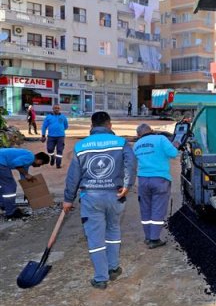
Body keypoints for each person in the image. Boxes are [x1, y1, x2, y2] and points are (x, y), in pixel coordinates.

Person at [63, 112, 134, 289]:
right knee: (113, 230)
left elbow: (73, 176)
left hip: (91, 197)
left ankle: (101, 278)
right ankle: (113, 267)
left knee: (95, 236)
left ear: (91, 126)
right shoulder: (121, 142)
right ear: (109, 125)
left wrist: (68, 199)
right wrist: (127, 185)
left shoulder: (81, 146)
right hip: (115, 195)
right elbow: (130, 164)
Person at [133, 123, 178, 249]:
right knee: (158, 208)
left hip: (142, 180)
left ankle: (148, 237)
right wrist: (176, 145)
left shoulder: (136, 145)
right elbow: (173, 154)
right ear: (151, 130)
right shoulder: (161, 139)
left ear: (138, 135)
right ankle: (154, 239)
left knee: (145, 208)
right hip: (160, 179)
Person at [0, 149, 50, 220]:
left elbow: (24, 178)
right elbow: (16, 163)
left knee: (3, 185)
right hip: (1, 162)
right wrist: (26, 174)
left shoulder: (26, 161)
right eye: (41, 164)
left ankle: (4, 205)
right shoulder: (30, 157)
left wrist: (27, 193)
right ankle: (11, 212)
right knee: (10, 186)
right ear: (39, 159)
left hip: (1, 161)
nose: (39, 166)